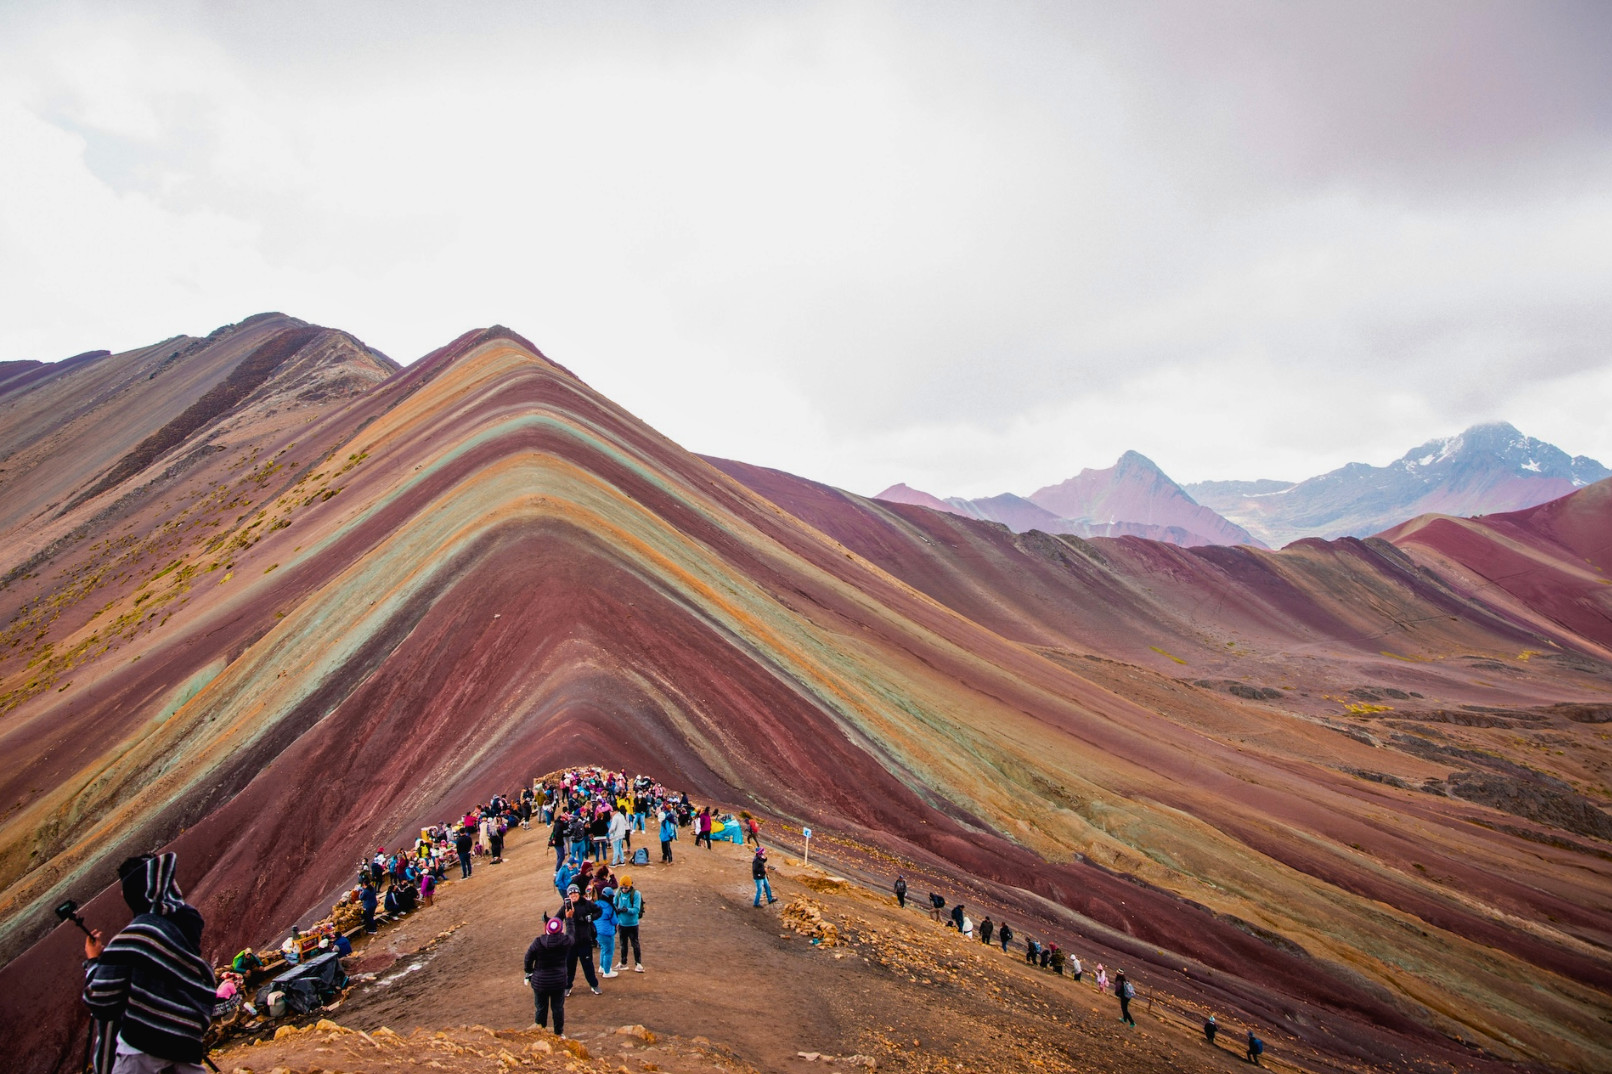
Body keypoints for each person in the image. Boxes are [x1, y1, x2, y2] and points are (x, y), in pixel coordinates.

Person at [82, 854, 216, 1074]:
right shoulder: (187, 925)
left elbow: (100, 1000)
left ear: (132, 892)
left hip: (142, 1048)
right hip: (187, 1041)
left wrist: (94, 961)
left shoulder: (133, 938)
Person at [525, 916, 573, 1037]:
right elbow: (572, 935)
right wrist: (570, 919)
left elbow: (528, 958)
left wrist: (529, 971)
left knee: (541, 1008)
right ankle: (559, 1033)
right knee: (557, 1008)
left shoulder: (538, 942)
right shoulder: (565, 942)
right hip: (558, 981)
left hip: (540, 981)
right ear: (561, 929)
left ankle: (540, 1032)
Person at [558, 885, 601, 995]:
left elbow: (598, 911)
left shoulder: (586, 903)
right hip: (571, 943)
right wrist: (548, 920)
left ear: (578, 893)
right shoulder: (566, 906)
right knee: (569, 966)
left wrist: (591, 917)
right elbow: (557, 918)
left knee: (588, 965)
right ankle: (567, 986)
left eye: (575, 893)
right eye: (571, 893)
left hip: (584, 941)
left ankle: (594, 985)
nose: (573, 895)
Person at [613, 875, 644, 973]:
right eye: (622, 887)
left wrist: (626, 910)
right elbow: (614, 904)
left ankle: (638, 964)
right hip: (622, 924)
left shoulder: (636, 894)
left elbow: (636, 909)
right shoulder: (618, 893)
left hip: (632, 924)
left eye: (626, 888)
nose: (624, 890)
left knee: (635, 943)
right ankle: (623, 963)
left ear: (630, 886)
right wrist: (616, 911)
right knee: (623, 944)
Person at [596, 885, 619, 977]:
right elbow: (614, 921)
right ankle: (607, 971)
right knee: (609, 951)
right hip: (607, 933)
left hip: (597, 932)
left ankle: (602, 967)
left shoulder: (596, 903)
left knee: (603, 949)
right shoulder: (610, 907)